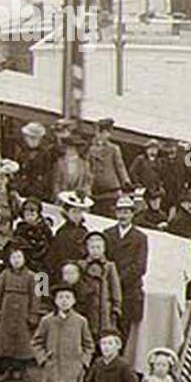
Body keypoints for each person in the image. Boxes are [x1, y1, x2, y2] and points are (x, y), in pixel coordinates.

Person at [103, 195, 147, 346]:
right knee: (106, 328)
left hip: (128, 291)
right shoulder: (107, 234)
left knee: (123, 330)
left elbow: (140, 267)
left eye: (126, 212)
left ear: (132, 214)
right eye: (120, 212)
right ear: (115, 213)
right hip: (108, 291)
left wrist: (117, 280)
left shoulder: (140, 237)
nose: (123, 216)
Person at [0, 245, 38, 380]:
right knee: (6, 341)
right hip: (7, 312)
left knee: (23, 342)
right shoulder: (5, 275)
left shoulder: (33, 276)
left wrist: (33, 314)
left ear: (24, 259)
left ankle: (24, 371)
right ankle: (8, 370)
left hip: (23, 312)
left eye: (19, 257)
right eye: (13, 257)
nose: (16, 260)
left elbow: (36, 297)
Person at [87, 119, 131, 217]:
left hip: (111, 190)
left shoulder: (113, 149)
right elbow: (88, 168)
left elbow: (120, 166)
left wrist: (126, 182)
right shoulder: (91, 149)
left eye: (104, 133)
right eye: (99, 132)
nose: (100, 135)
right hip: (96, 190)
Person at [13, 198, 53, 273]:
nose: (30, 217)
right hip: (25, 264)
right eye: (27, 215)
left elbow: (50, 244)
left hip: (42, 264)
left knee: (42, 282)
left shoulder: (44, 229)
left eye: (32, 214)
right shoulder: (20, 229)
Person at [51, 136, 94, 203]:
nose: (69, 151)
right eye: (68, 148)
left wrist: (82, 194)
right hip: (61, 198)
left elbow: (87, 182)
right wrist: (58, 195)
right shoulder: (59, 163)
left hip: (77, 200)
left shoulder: (84, 165)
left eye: (72, 148)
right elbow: (56, 182)